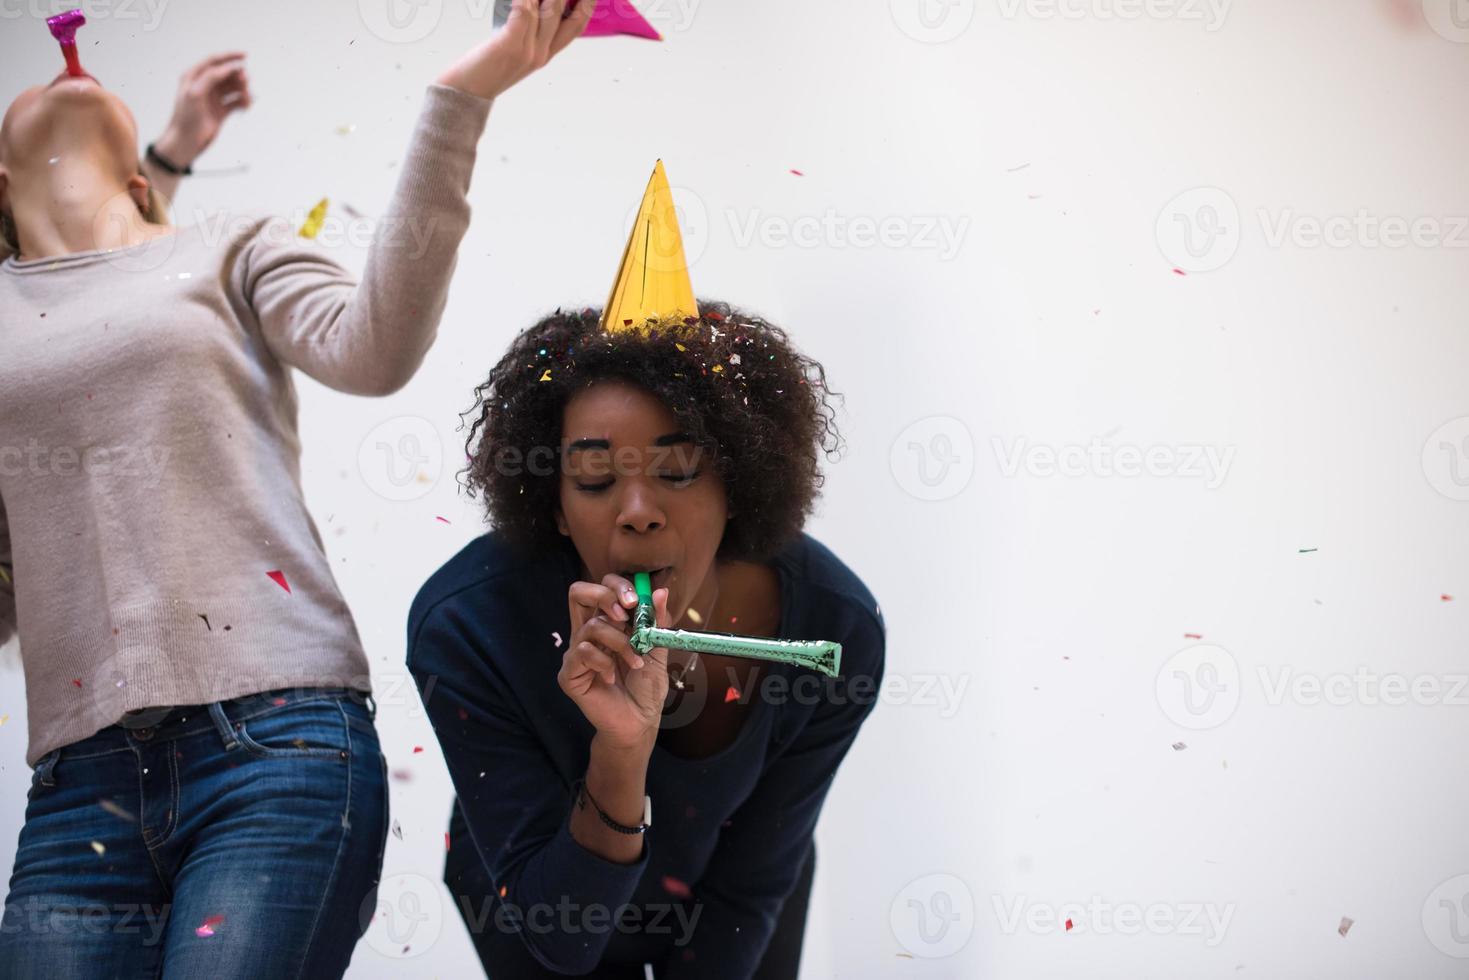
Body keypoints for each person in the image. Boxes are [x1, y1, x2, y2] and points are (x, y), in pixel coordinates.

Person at [0, 1, 598, 976]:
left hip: (274, 745)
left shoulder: (225, 249)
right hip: (75, 788)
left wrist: (461, 95)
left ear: (140, 181)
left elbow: (374, 347)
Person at [406, 254, 887, 976]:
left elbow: (750, 887)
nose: (636, 513)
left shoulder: (833, 627)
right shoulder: (469, 627)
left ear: (738, 481)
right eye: (596, 480)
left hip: (732, 903)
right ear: (556, 510)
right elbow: (559, 937)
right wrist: (623, 747)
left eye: (678, 470)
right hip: (539, 894)